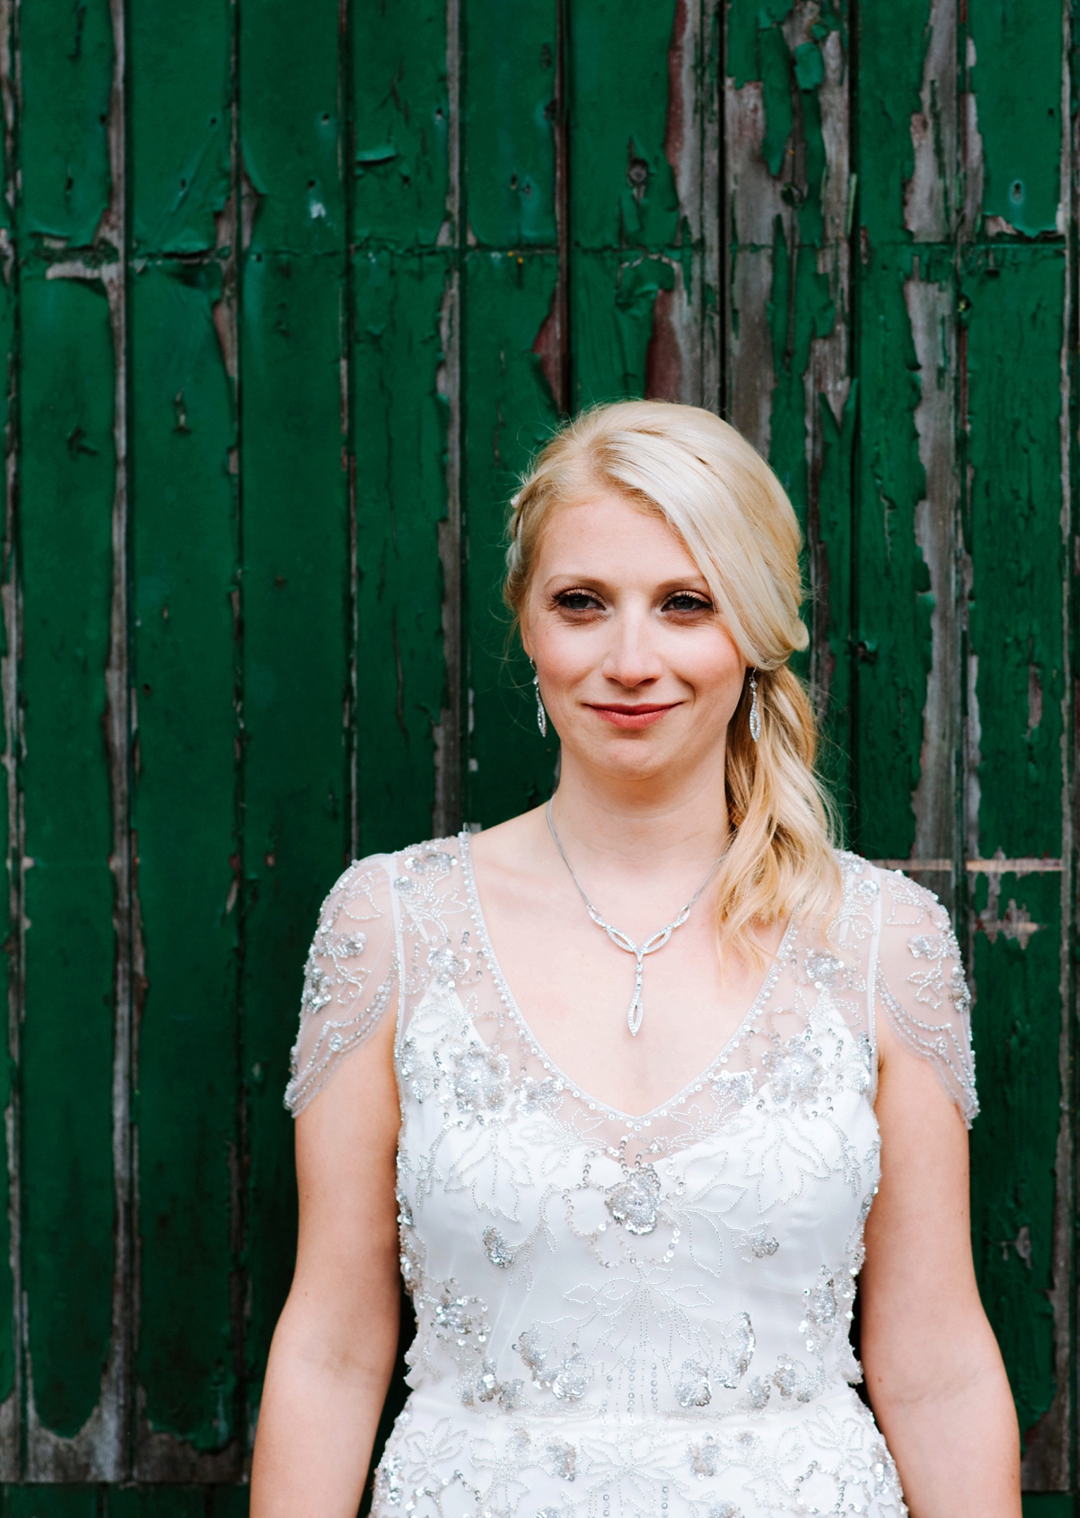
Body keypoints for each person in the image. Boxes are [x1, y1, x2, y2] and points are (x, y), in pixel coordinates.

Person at [250, 400, 1021, 1518]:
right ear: (525, 620)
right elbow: (330, 1345)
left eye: (684, 605)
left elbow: (938, 1360)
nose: (630, 659)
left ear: (753, 627)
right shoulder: (392, 926)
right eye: (582, 603)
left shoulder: (878, 943)